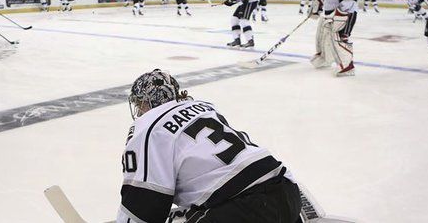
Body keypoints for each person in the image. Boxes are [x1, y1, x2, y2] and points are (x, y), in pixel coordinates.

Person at [116, 69, 302, 223]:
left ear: (146, 102)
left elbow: (143, 204)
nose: (139, 110)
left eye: (139, 103)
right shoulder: (205, 108)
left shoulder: (147, 129)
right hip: (287, 191)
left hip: (245, 207)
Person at [310, 0, 358, 77]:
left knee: (340, 39)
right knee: (323, 37)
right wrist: (319, 5)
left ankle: (347, 66)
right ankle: (326, 59)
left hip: (345, 13)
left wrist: (341, 13)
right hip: (330, 14)